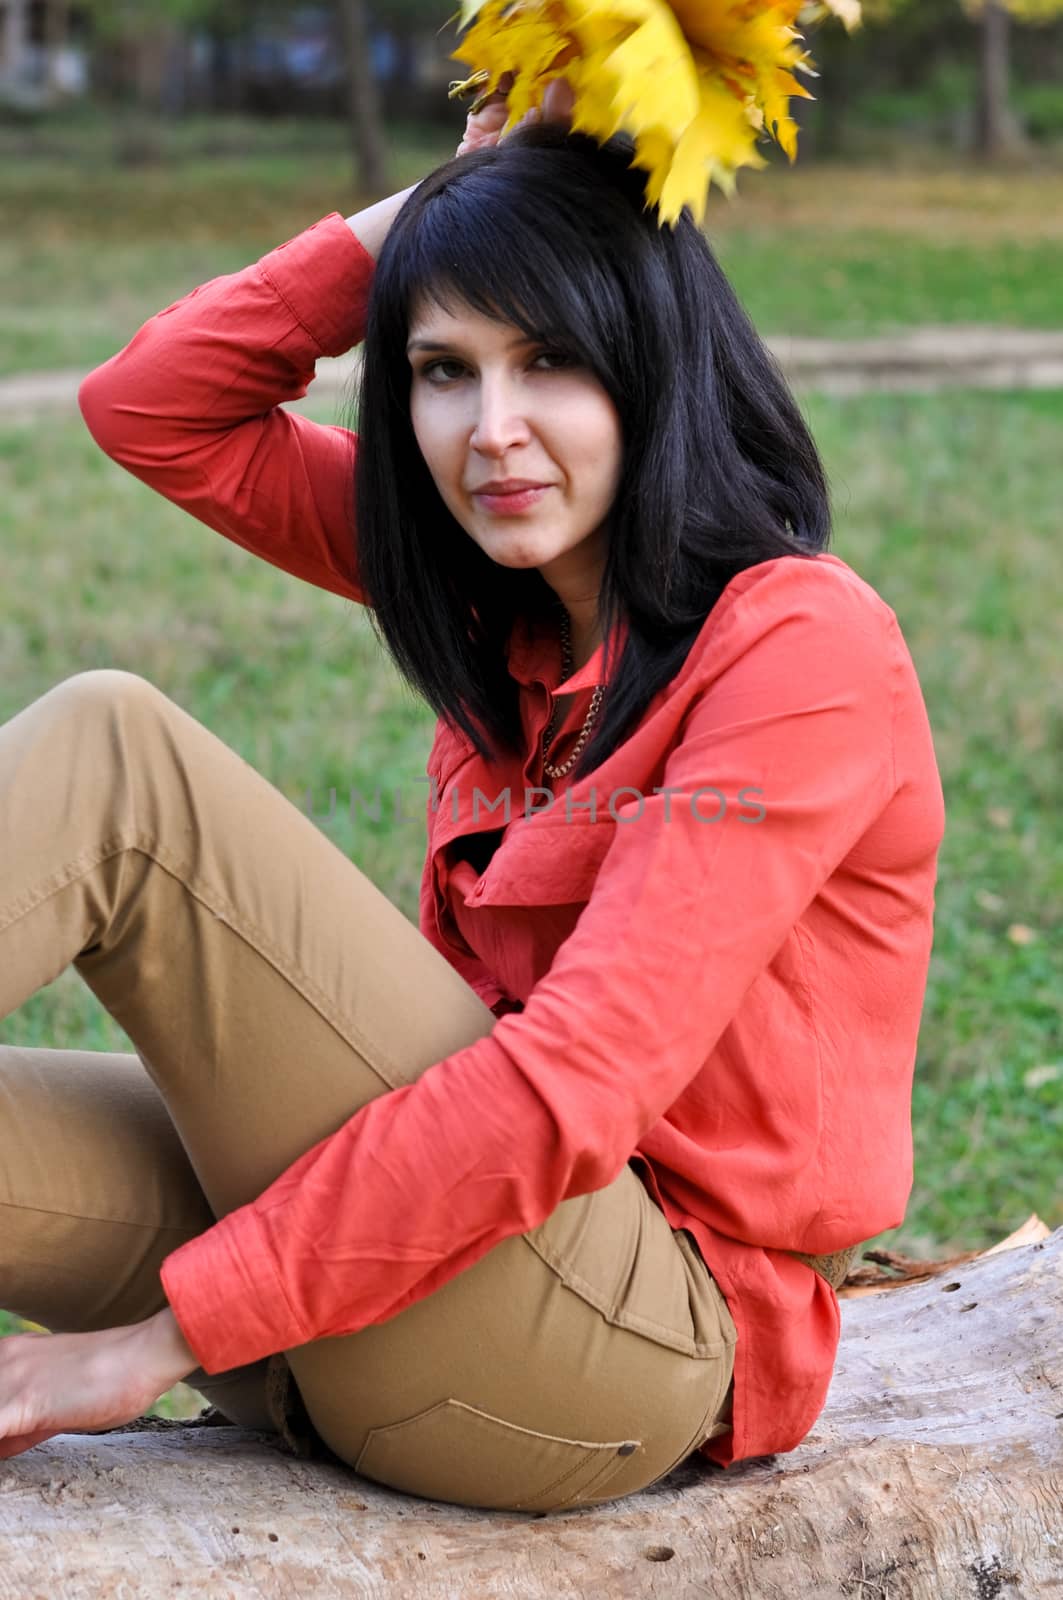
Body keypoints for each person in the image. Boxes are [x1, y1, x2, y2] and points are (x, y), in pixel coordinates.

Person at [0, 80, 946, 1512]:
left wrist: (152, 1345)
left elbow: (571, 1087)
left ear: (654, 363)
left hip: (614, 1354)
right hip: (396, 1302)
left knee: (117, 753)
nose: (491, 430)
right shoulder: (490, 593)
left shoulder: (800, 645)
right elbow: (154, 406)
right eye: (444, 369)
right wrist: (441, 212)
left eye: (548, 361)